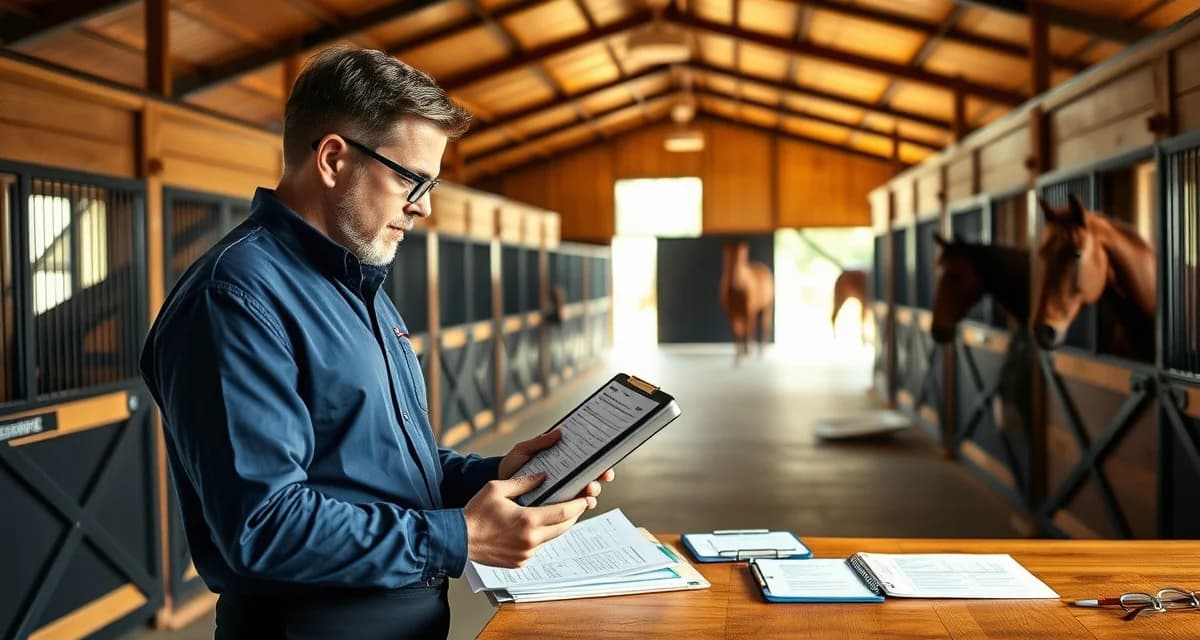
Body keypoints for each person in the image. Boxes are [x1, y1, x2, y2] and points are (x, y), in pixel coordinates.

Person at [139, 46, 612, 640]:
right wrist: (460, 536)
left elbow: (376, 465)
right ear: (334, 158)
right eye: (412, 179)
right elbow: (263, 527)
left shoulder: (358, 282)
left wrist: (496, 475)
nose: (425, 206)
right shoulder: (235, 298)